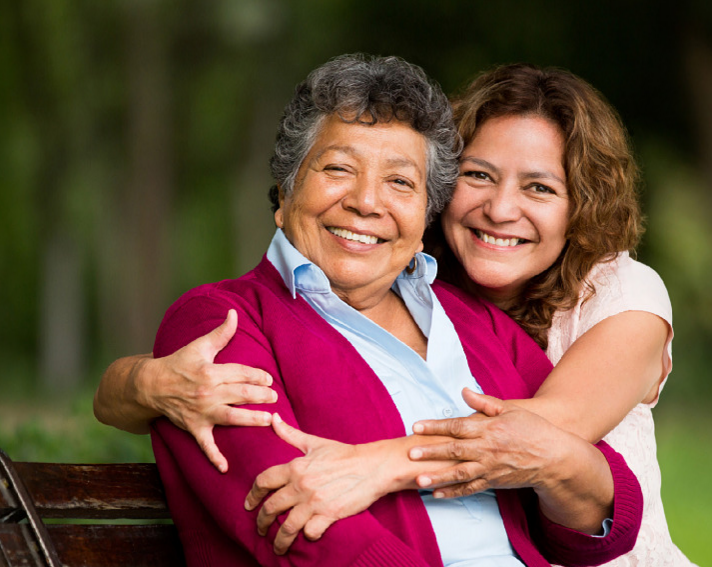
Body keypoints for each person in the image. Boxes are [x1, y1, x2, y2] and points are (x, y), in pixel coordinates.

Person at [94, 62, 691, 566]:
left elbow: (593, 504)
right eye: (338, 169)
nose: (367, 201)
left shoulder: (474, 318)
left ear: (422, 211)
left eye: (400, 181)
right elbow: (289, 522)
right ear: (284, 193)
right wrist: (135, 380)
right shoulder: (223, 322)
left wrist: (381, 466)